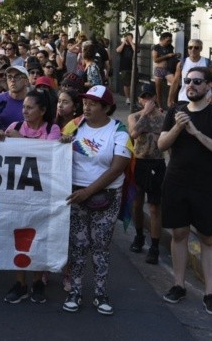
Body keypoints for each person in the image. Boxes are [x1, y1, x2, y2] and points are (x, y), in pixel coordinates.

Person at [158, 67, 212, 316]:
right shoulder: (175, 112)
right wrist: (178, 128)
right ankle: (178, 285)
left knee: (208, 237)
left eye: (197, 81)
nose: (191, 85)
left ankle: (209, 293)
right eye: (187, 81)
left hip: (206, 184)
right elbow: (161, 144)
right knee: (179, 234)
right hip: (176, 181)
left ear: (210, 86)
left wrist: (196, 132)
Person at [62, 85, 131, 315]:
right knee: (77, 245)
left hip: (106, 197)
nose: (87, 106)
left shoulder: (119, 131)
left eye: (93, 103)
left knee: (100, 246)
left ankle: (101, 294)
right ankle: (75, 291)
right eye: (85, 102)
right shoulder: (75, 125)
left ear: (107, 107)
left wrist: (89, 191)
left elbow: (117, 167)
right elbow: (57, 149)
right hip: (76, 195)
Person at [0, 89, 61, 304]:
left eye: (29, 107)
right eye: (23, 107)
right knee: (16, 236)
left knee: (39, 237)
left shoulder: (53, 129)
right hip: (16, 195)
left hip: (42, 195)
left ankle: (37, 281)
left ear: (43, 111)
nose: (24, 111)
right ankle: (20, 282)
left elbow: (50, 155)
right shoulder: (13, 128)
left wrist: (21, 141)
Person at [127, 83, 166, 265]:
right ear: (139, 100)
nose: (147, 100)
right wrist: (145, 113)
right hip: (140, 162)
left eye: (149, 96)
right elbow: (134, 133)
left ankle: (155, 246)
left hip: (157, 162)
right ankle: (139, 235)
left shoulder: (163, 118)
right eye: (144, 97)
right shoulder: (134, 116)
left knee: (155, 207)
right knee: (137, 203)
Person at [168, 38, 212, 108]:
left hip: (204, 99)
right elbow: (175, 82)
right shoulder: (181, 63)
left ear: (201, 49)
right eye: (190, 47)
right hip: (184, 99)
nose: (193, 50)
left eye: (196, 47)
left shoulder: (208, 63)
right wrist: (170, 98)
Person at [0, 65, 28, 130]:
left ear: (26, 81)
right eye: (9, 77)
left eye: (17, 77)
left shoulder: (33, 102)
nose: (13, 80)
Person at [152, 32, 178, 108]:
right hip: (159, 69)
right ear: (162, 40)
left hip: (168, 69)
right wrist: (167, 56)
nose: (169, 42)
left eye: (170, 40)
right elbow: (155, 59)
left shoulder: (170, 47)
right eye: (168, 40)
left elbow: (171, 56)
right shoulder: (156, 47)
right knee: (158, 89)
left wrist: (175, 55)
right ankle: (160, 106)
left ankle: (170, 100)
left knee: (174, 82)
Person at [116, 33, 135, 105]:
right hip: (124, 67)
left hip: (132, 67)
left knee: (132, 83)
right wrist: (124, 42)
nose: (128, 39)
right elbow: (118, 50)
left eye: (130, 38)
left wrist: (131, 42)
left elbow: (136, 50)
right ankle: (128, 98)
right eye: (127, 38)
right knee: (126, 83)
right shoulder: (123, 46)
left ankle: (132, 98)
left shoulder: (133, 45)